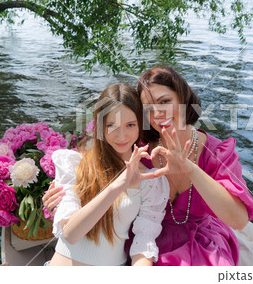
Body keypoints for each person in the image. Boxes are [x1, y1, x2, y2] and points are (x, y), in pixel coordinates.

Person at [44, 66, 253, 265]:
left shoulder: (216, 152)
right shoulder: (138, 150)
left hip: (202, 241)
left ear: (184, 99)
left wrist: (190, 168)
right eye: (148, 109)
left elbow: (239, 220)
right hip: (149, 238)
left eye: (165, 101)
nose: (158, 114)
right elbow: (96, 166)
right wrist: (61, 196)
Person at [46, 83, 169, 266]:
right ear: (100, 126)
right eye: (112, 125)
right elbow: (70, 234)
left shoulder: (150, 180)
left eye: (130, 125)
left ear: (140, 125)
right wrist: (119, 184)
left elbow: (143, 246)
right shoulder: (74, 165)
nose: (121, 136)